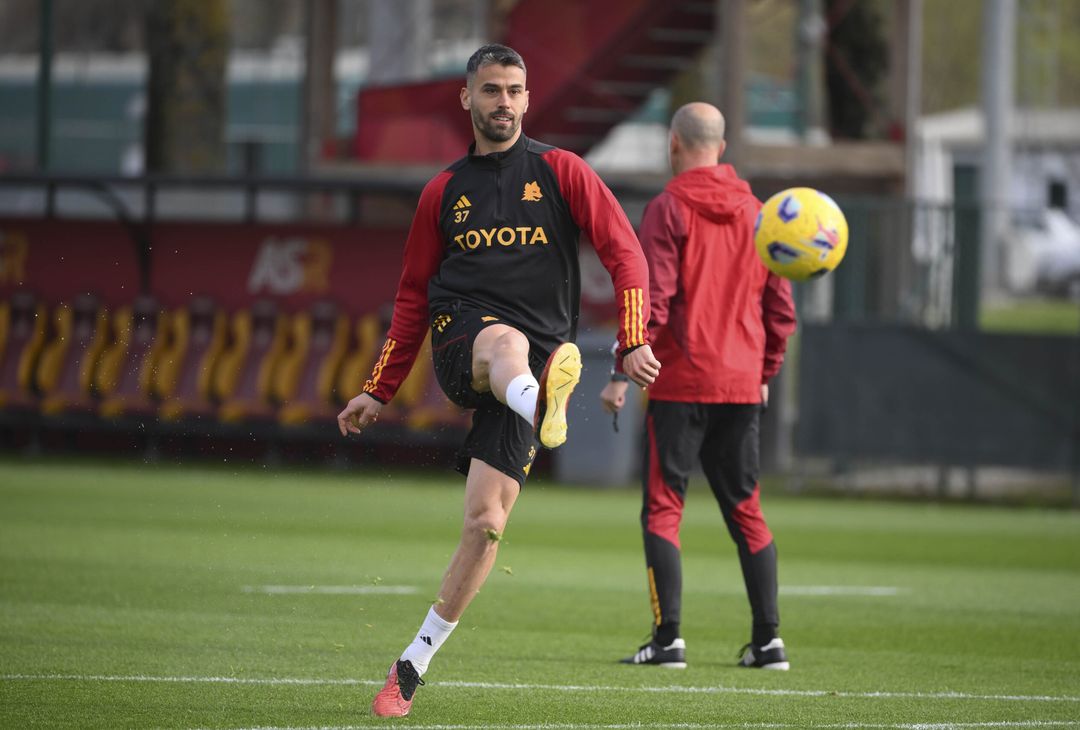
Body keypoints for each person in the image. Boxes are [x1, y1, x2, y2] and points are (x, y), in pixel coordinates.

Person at [337, 44, 661, 718]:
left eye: (515, 90)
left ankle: (411, 665)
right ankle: (542, 398)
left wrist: (632, 340)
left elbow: (624, 252)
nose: (504, 103)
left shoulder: (562, 171)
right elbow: (410, 298)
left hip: (542, 364)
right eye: (491, 91)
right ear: (467, 99)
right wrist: (379, 386)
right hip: (467, 341)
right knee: (504, 342)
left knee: (485, 524)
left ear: (527, 97)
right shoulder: (443, 192)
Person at [599, 102, 796, 671]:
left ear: (673, 144)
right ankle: (769, 642)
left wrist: (619, 372)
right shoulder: (761, 214)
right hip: (740, 384)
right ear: (723, 146)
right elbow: (780, 311)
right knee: (748, 511)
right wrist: (764, 374)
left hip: (679, 381)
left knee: (663, 509)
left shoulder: (668, 208)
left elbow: (653, 300)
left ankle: (668, 642)